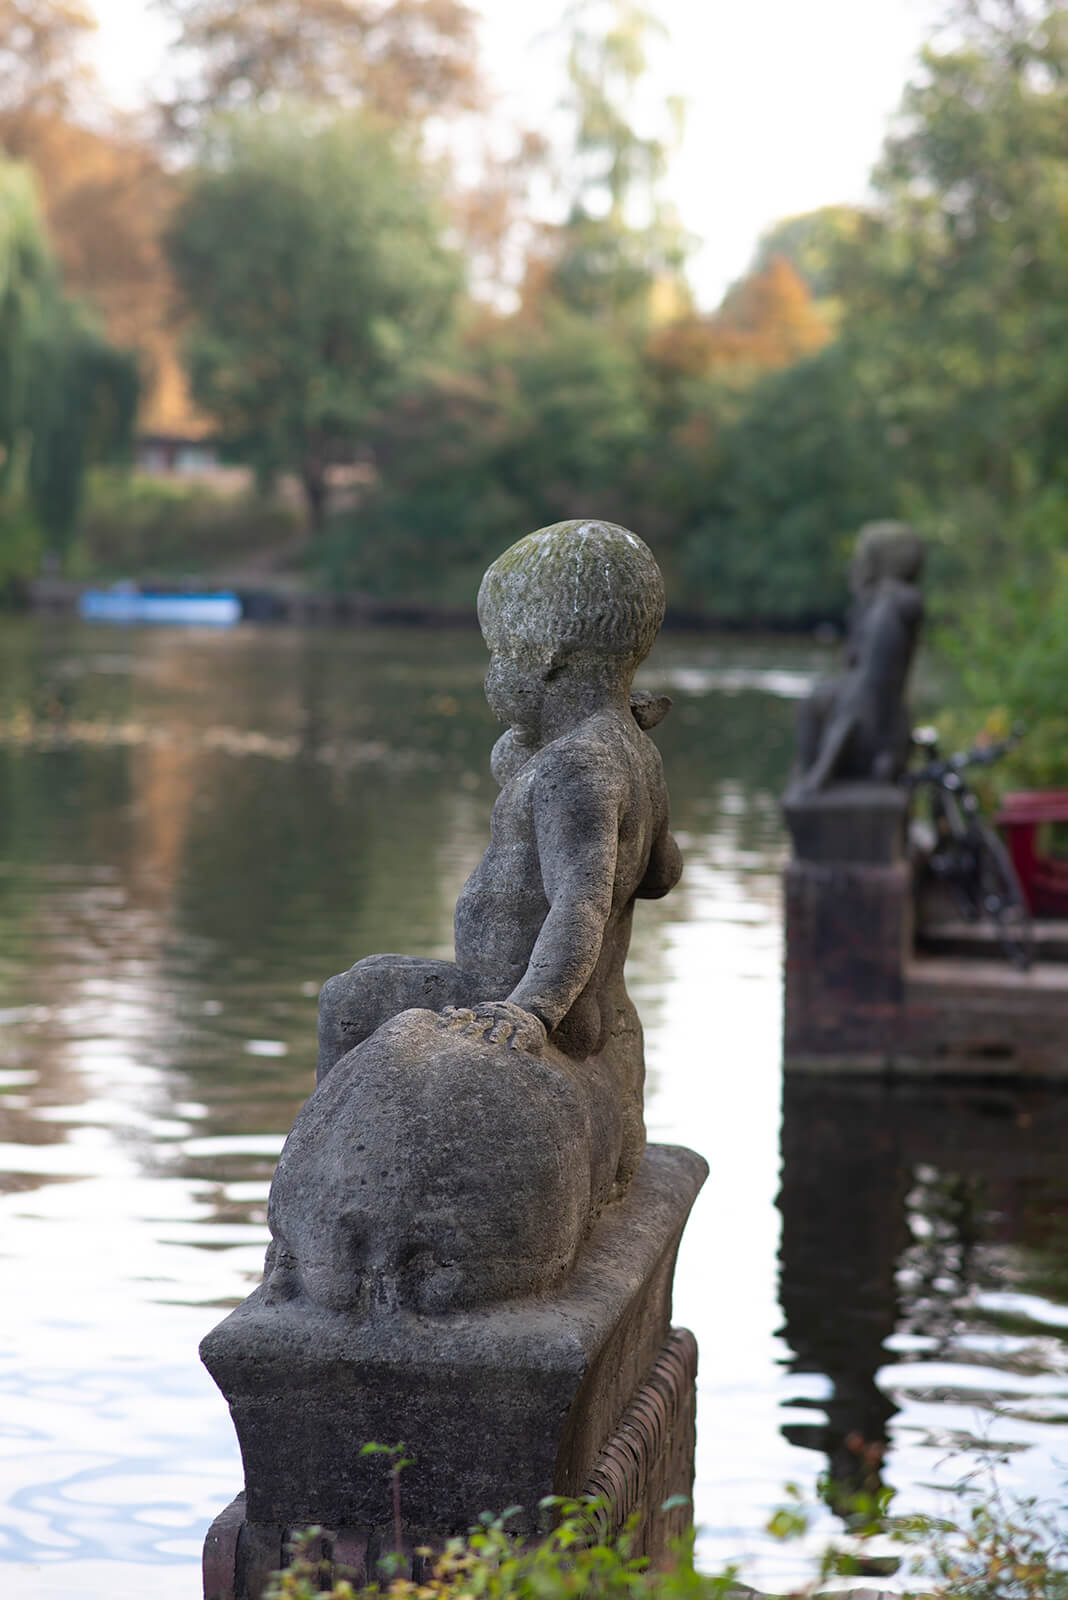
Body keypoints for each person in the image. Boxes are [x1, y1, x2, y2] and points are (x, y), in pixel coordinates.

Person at [317, 519, 682, 1189]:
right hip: (595, 1000)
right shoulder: (631, 750)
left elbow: (583, 899)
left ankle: (337, 1171)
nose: (490, 674)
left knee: (353, 993)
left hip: (510, 993)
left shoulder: (576, 764)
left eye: (497, 653)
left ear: (543, 656)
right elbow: (661, 874)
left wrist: (532, 1009)